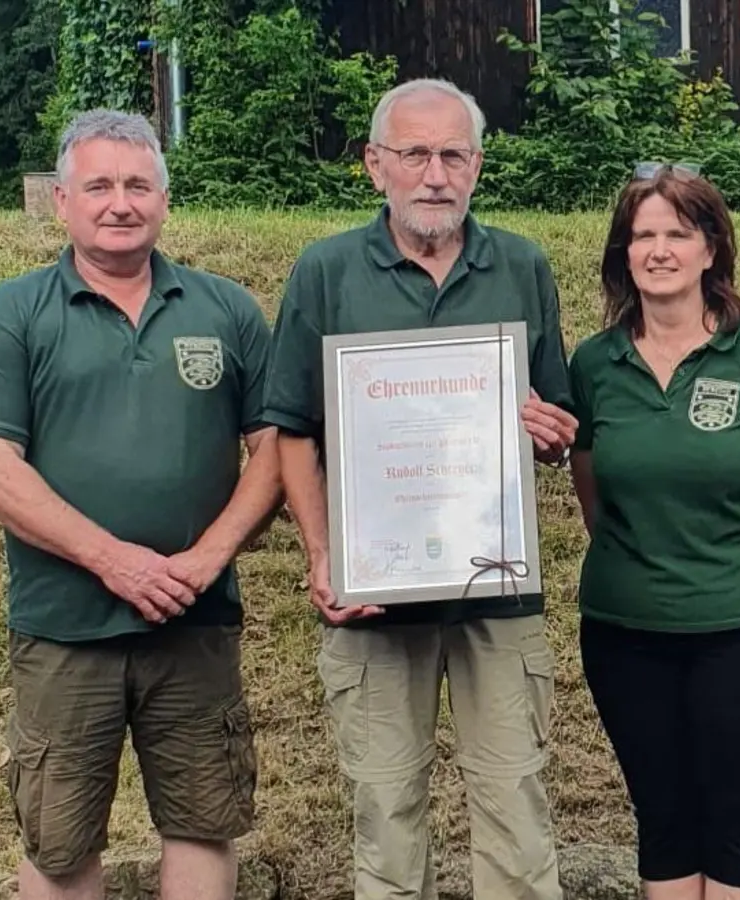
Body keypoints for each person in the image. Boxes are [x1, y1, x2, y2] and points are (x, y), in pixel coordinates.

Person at [0, 110, 282, 900]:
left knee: (204, 822)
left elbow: (277, 451)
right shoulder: (11, 313)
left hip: (195, 620)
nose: (119, 203)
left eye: (138, 185)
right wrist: (113, 560)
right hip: (65, 627)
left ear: (165, 199)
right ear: (61, 201)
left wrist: (206, 560)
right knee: (59, 842)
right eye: (98, 185)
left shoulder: (227, 310)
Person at [260, 78, 576, 900]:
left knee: (516, 814)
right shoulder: (326, 271)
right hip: (374, 596)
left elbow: (556, 419)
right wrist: (323, 553)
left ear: (477, 165)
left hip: (495, 593)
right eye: (414, 154)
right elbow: (289, 428)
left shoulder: (522, 264)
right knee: (386, 814)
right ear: (375, 165)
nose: (435, 174)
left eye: (453, 154)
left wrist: (552, 431)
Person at [564, 164, 740, 900]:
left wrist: (726, 563)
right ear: (624, 254)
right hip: (626, 628)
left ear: (711, 248)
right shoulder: (594, 362)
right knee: (663, 816)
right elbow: (595, 495)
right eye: (643, 235)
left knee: (735, 818)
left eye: (679, 232)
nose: (660, 249)